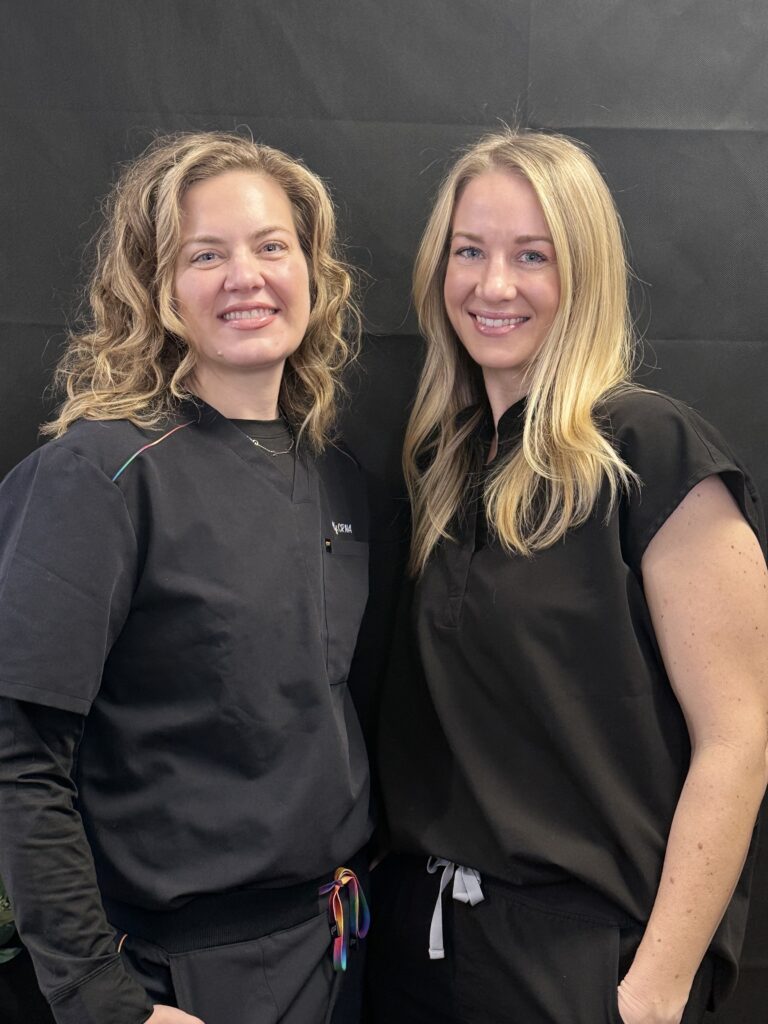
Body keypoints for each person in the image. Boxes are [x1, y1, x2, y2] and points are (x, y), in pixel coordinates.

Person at [368, 129, 768, 1024]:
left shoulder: (650, 451)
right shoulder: (445, 465)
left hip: (582, 964)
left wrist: (653, 991)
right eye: (469, 251)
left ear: (582, 274)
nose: (493, 285)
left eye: (531, 256)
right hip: (425, 952)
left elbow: (741, 739)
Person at [0, 132, 371, 1024]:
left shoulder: (339, 478)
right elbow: (17, 755)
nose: (246, 277)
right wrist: (102, 1000)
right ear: (158, 288)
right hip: (178, 979)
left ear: (312, 271)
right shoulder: (102, 474)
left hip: (335, 947)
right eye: (206, 255)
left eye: (271, 246)